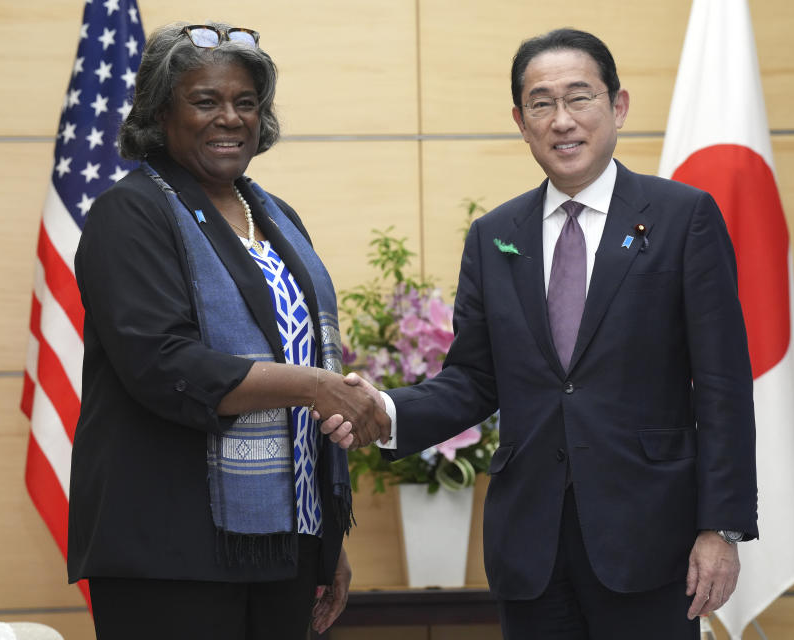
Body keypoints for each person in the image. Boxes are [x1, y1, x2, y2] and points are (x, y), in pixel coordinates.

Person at [322, 28, 758, 639]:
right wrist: (385, 409)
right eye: (541, 103)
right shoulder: (495, 235)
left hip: (650, 540)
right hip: (531, 548)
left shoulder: (684, 218)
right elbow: (474, 380)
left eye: (580, 97)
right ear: (521, 121)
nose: (562, 120)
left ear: (618, 106)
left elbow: (722, 385)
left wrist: (723, 528)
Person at [67, 21, 389, 639]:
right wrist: (314, 386)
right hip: (170, 548)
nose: (231, 118)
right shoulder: (128, 214)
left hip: (285, 548)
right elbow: (164, 365)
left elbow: (298, 351)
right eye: (206, 101)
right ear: (161, 112)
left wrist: (322, 535)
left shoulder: (275, 215)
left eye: (246, 102)